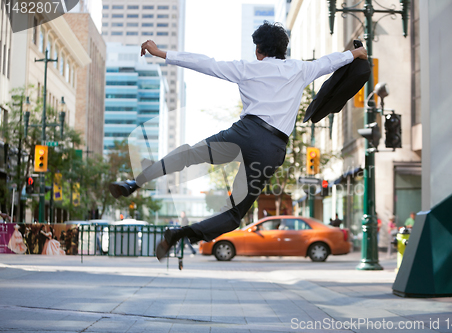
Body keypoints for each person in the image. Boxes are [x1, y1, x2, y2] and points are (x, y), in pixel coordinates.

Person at [108, 21, 368, 260]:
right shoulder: (300, 69)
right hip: (271, 147)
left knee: (188, 155)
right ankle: (179, 235)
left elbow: (205, 63)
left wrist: (162, 53)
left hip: (243, 133)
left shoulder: (247, 68)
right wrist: (356, 54)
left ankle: (134, 182)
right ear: (284, 49)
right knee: (233, 214)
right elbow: (331, 61)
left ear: (258, 50)